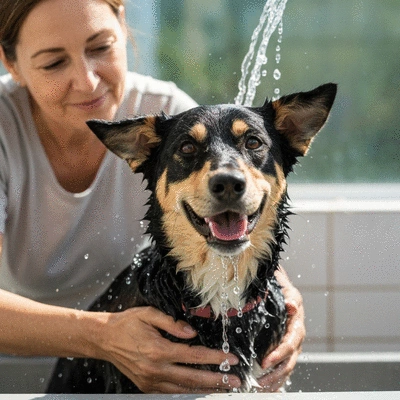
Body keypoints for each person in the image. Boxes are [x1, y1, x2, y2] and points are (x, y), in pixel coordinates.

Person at [0, 0, 305, 394]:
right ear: (11, 64)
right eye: (53, 63)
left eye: (100, 47)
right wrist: (105, 338)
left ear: (122, 25)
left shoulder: (169, 115)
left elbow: (238, 220)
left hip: (155, 348)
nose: (88, 80)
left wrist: (286, 300)